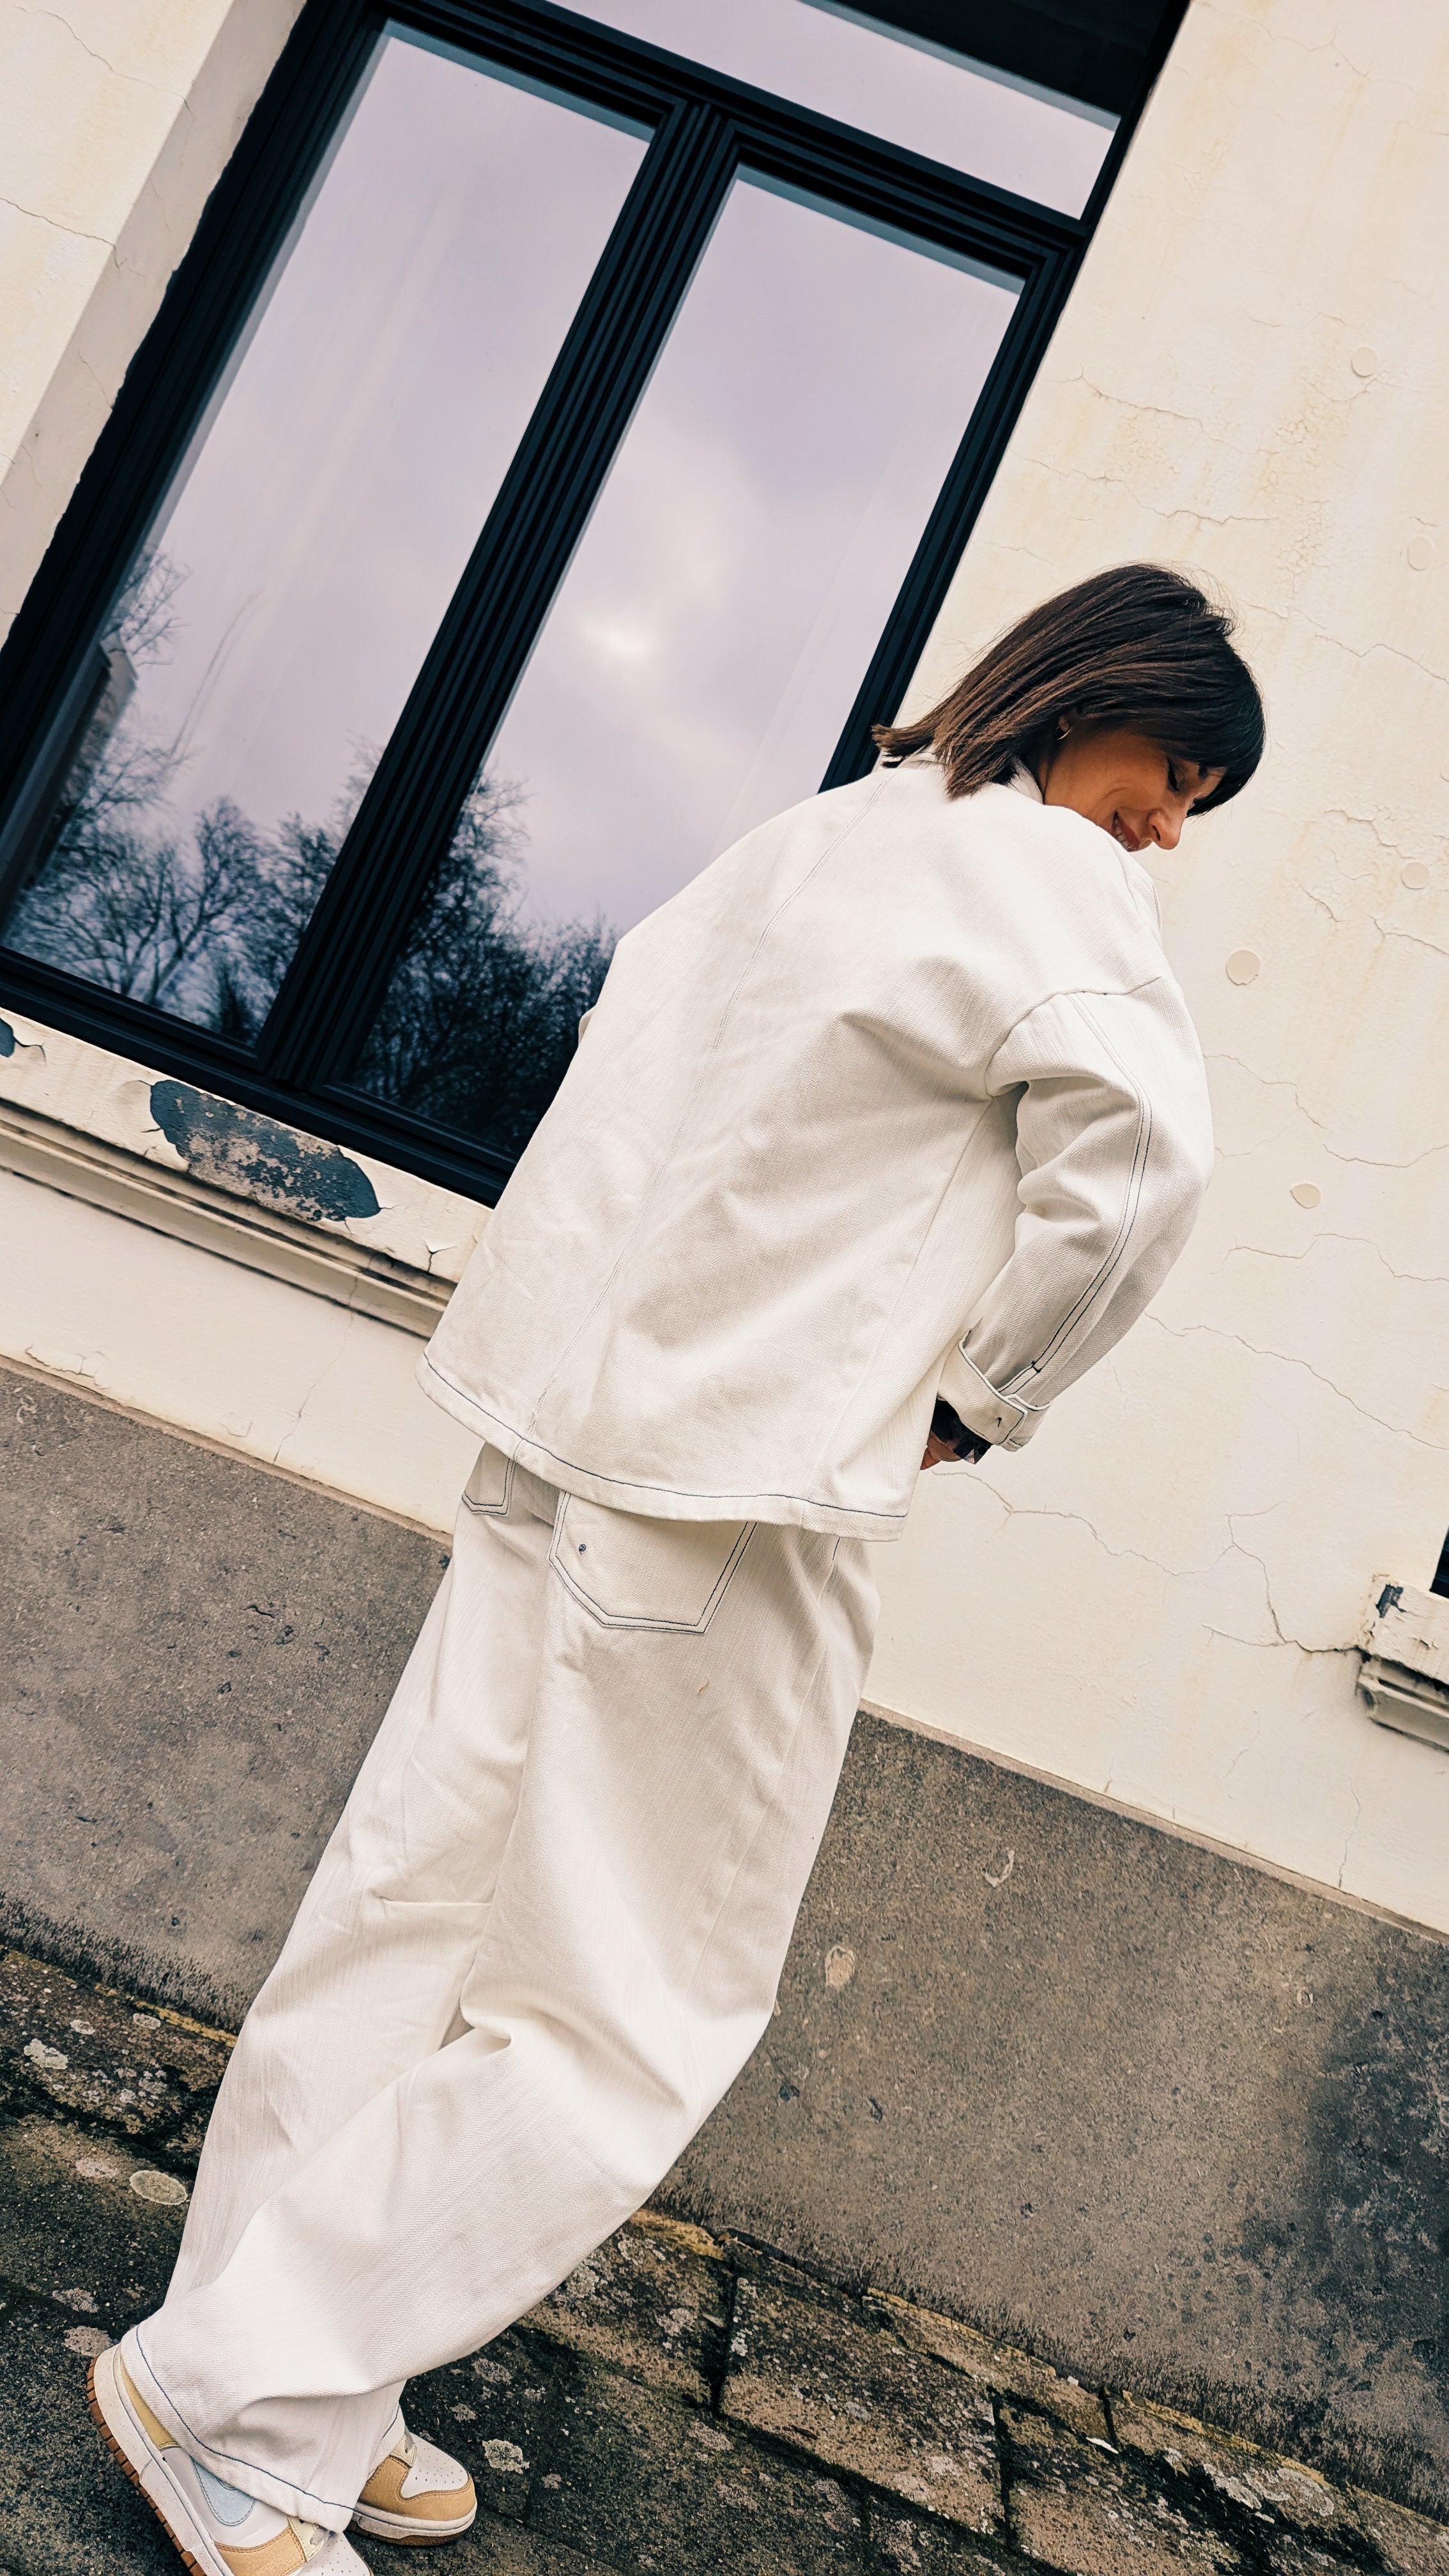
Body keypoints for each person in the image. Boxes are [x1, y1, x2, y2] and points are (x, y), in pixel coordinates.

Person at [89, 562, 1264, 2572]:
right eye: (1174, 774)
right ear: (1093, 700)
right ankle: (243, 2410)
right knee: (622, 2008)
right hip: (733, 1490)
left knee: (409, 1919)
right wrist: (980, 1398)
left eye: (1194, 807)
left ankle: (282, 2381)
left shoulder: (818, 840)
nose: (1165, 829)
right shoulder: (1045, 876)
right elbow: (1143, 1164)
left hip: (562, 1436)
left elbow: (624, 1067)